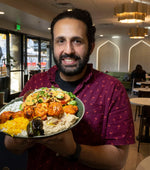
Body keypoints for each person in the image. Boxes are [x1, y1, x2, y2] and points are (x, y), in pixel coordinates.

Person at [4, 8, 135, 170]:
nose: (68, 50)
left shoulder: (113, 89)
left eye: (77, 41)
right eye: (61, 41)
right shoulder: (36, 83)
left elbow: (118, 160)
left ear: (91, 46)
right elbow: (10, 145)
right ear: (53, 45)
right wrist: (30, 135)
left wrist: (73, 150)